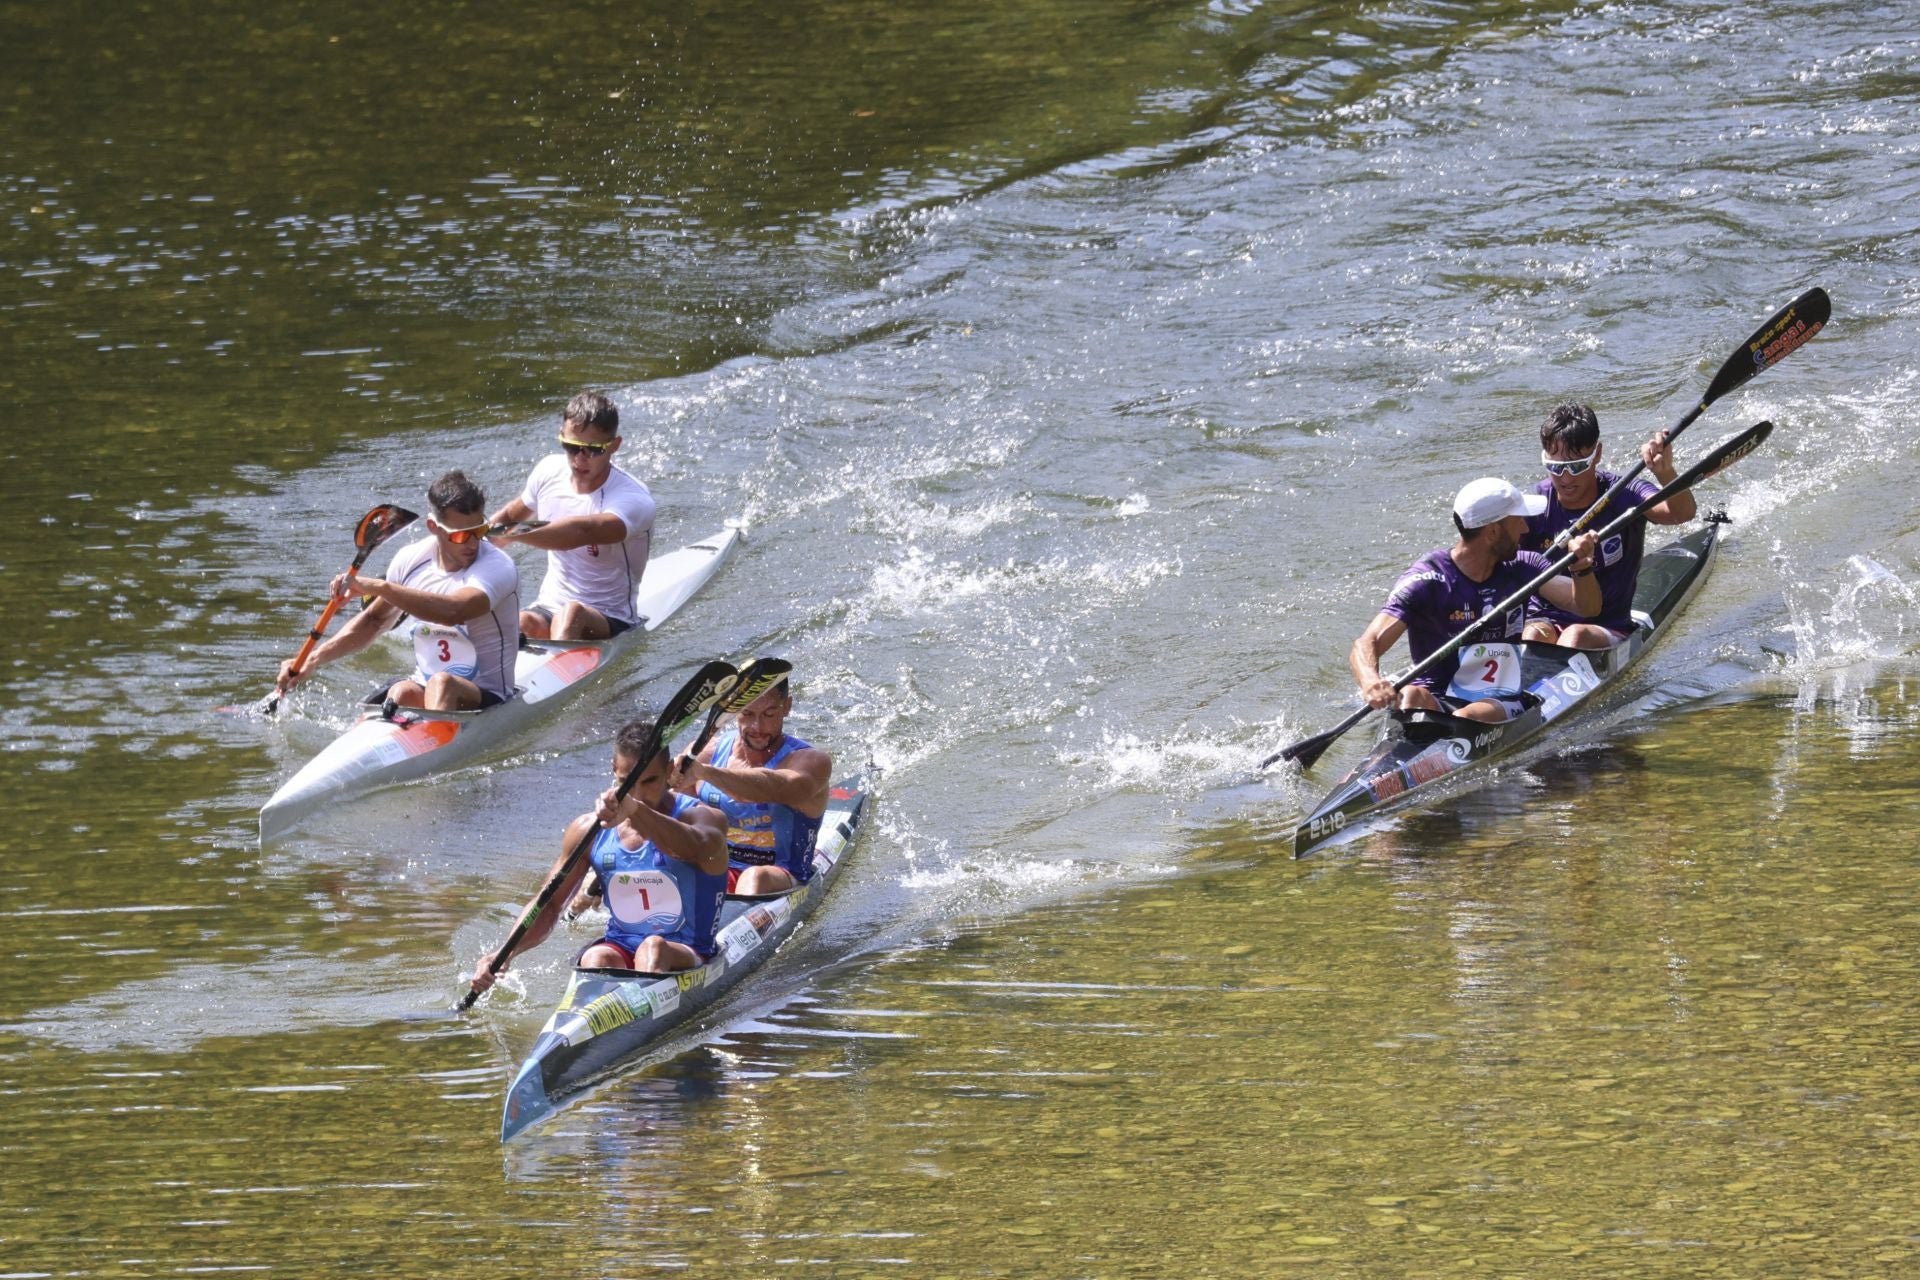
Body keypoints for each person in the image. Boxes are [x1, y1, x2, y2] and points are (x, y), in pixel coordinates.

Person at [468, 718, 730, 995]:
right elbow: (549, 904)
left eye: (650, 781)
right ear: (614, 770)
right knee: (594, 958)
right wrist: (504, 955)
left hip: (688, 954)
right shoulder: (588, 830)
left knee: (653, 948)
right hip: (622, 949)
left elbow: (693, 847)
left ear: (668, 772)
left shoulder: (701, 818)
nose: (639, 794)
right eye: (627, 781)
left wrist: (633, 811)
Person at [1349, 478, 1600, 724]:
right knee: (1410, 695)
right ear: (1492, 532)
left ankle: (1449, 737)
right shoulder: (1428, 580)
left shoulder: (1524, 566)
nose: (1525, 529)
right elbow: (1367, 642)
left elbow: (1586, 607)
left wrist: (1581, 569)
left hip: (1500, 697)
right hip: (1435, 696)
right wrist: (1370, 680)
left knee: (1468, 716)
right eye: (1518, 522)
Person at [275, 471, 520, 711]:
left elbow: (453, 611)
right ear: (433, 527)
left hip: (489, 695)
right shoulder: (410, 560)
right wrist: (314, 659)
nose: (472, 543)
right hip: (425, 688)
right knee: (400, 692)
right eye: (460, 536)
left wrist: (379, 586)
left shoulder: (497, 566)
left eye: (479, 531)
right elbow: (373, 621)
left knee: (442, 683)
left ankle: (434, 744)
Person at [1519, 403, 1697, 650]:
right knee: (1532, 637)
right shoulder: (1534, 504)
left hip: (1606, 623)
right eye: (1556, 468)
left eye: (1578, 465)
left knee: (1574, 636)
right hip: (1544, 619)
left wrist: (1665, 473)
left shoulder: (1624, 493)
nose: (1566, 478)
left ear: (1598, 453)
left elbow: (1681, 514)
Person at [488, 391, 657, 641]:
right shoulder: (548, 471)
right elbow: (500, 526)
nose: (579, 458)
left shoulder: (633, 500)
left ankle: (562, 674)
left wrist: (510, 532)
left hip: (611, 616)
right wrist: (462, 539)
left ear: (614, 446)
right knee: (518, 621)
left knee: (571, 614)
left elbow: (579, 532)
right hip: (548, 606)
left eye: (593, 450)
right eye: (571, 447)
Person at [681, 676, 833, 895]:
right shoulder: (707, 751)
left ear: (787, 707)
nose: (757, 727)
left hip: (780, 874)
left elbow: (769, 787)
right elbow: (670, 807)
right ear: (734, 710)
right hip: (718, 869)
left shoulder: (812, 762)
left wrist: (704, 773)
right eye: (747, 713)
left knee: (754, 877)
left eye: (769, 714)